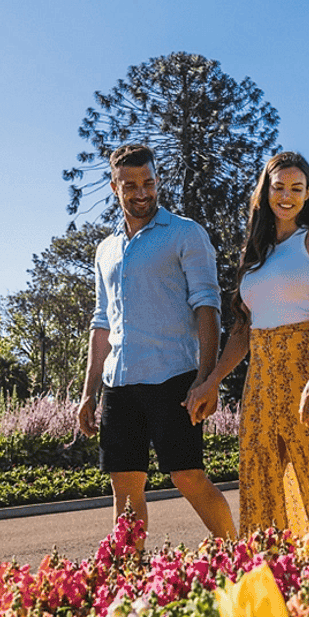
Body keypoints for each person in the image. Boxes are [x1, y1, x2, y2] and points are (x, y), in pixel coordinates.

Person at [186, 151, 309, 538]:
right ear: (265, 192)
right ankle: (277, 573)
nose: (286, 196)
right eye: (278, 187)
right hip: (262, 382)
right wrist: (213, 381)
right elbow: (242, 331)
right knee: (262, 476)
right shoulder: (255, 254)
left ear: (308, 194)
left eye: (296, 188)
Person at [77, 143, 237, 546]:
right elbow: (102, 323)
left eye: (148, 182)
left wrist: (206, 379)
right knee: (125, 490)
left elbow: (208, 307)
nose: (142, 192)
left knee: (188, 476)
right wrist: (88, 394)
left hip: (174, 379)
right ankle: (129, 581)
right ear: (115, 187)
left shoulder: (185, 233)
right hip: (120, 383)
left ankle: (240, 559)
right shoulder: (105, 249)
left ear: (157, 180)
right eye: (130, 185)